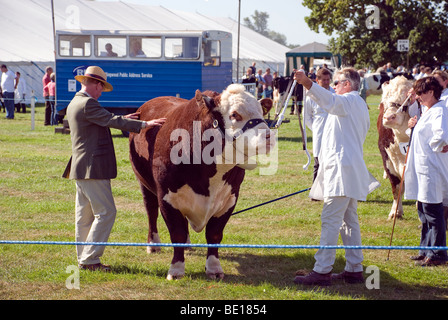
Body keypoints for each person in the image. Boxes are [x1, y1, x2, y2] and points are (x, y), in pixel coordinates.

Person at [63, 66, 166, 272]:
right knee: (106, 212)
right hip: (93, 168)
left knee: (84, 216)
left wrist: (125, 118)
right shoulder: (88, 104)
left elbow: (100, 120)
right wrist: (145, 124)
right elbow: (109, 120)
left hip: (81, 168)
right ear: (97, 85)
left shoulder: (76, 102)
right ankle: (91, 260)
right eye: (101, 88)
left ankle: (84, 257)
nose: (101, 92)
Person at [293, 67, 377, 286]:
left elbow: (329, 101)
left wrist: (307, 83)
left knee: (330, 220)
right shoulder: (356, 104)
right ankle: (354, 269)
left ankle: (322, 270)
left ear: (347, 84)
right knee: (349, 222)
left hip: (342, 172)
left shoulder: (348, 101)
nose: (333, 86)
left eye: (337, 83)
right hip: (346, 171)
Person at [404, 76, 448, 267]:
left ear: (431, 92)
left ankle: (438, 253)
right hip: (421, 168)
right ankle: (425, 249)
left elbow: (441, 136)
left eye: (420, 93)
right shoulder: (427, 110)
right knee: (423, 211)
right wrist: (412, 127)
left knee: (433, 211)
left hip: (431, 168)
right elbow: (419, 134)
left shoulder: (440, 111)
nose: (418, 97)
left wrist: (438, 145)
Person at [304, 68, 335, 183]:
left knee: (333, 161)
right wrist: (316, 129)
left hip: (334, 132)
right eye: (324, 80)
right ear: (317, 80)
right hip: (320, 132)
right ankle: (316, 190)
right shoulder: (311, 97)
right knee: (318, 162)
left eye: (328, 80)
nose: (327, 82)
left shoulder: (335, 94)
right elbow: (307, 117)